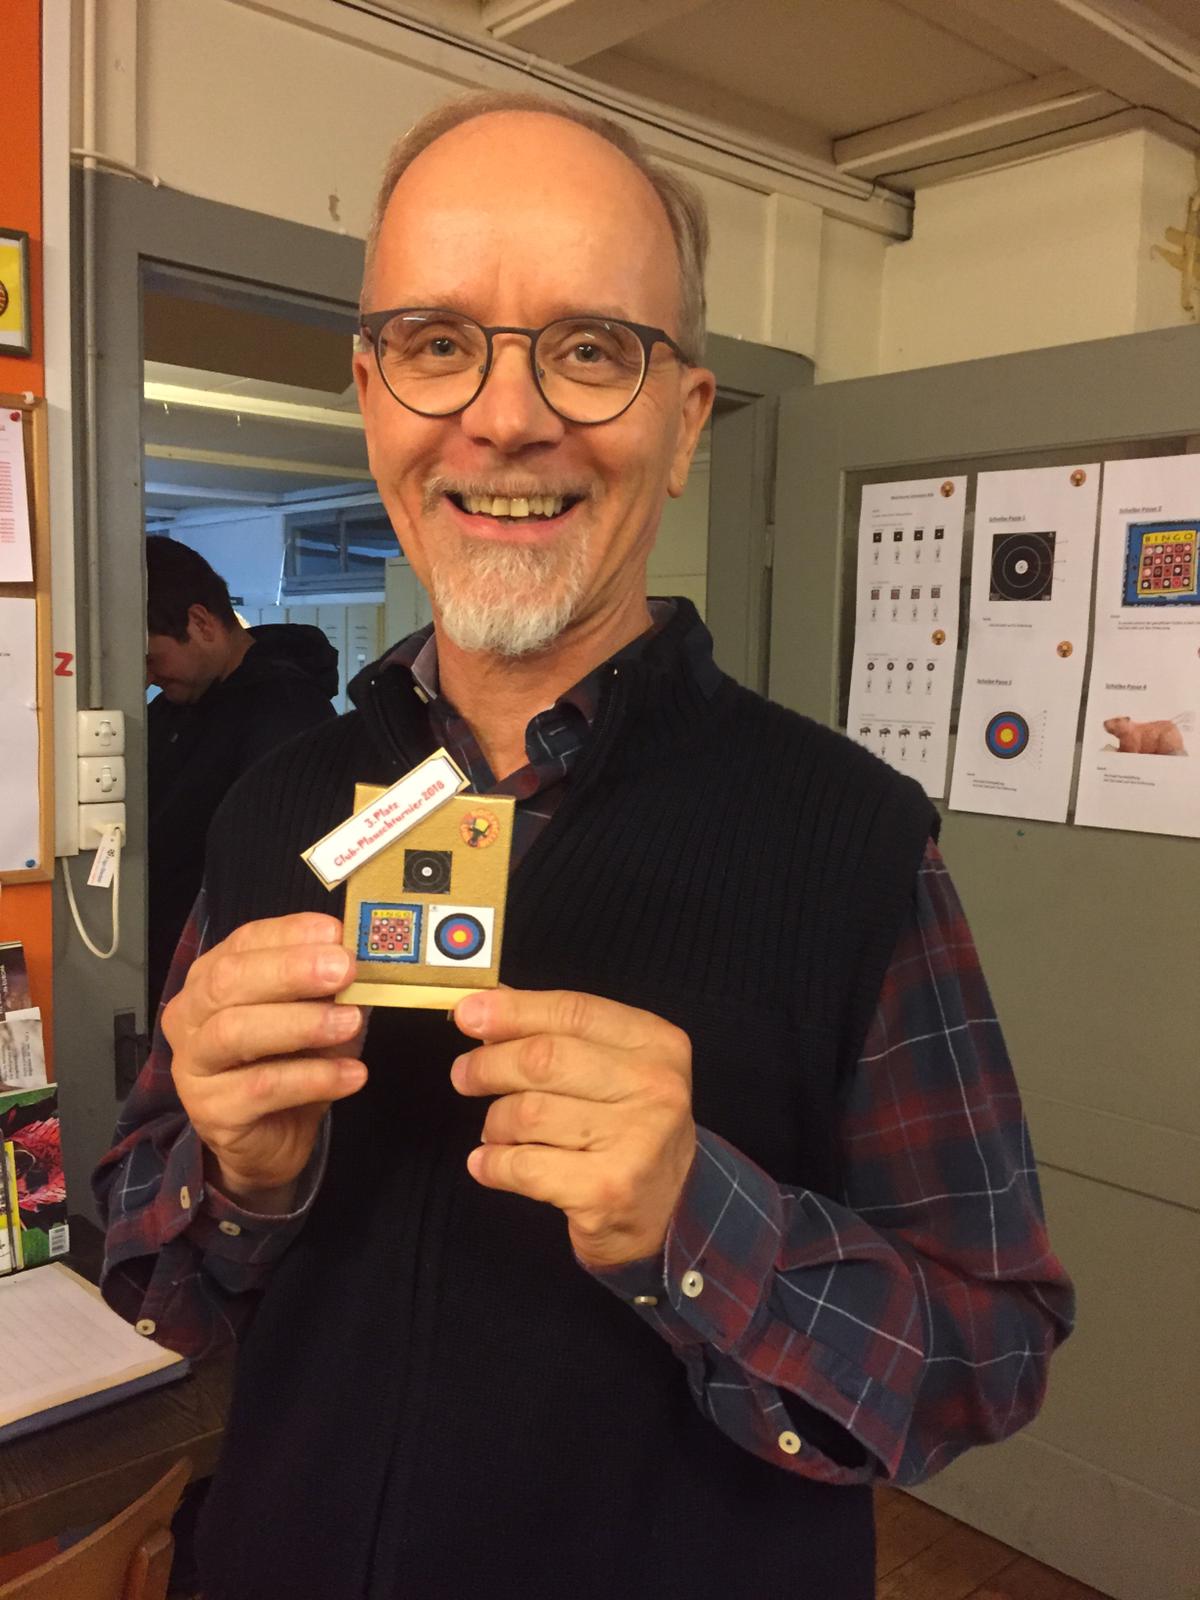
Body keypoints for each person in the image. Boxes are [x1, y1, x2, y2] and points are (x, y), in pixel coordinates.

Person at [98, 94, 1073, 1600]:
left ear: (683, 422)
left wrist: (701, 1214)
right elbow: (151, 1267)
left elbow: (987, 1354)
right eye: (438, 342)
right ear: (372, 396)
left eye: (592, 348)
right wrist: (243, 1175)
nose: (506, 417)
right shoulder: (271, 808)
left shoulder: (853, 840)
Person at [144, 537, 338, 1014]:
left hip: (225, 980)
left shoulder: (287, 712)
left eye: (151, 658)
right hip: (160, 969)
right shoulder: (175, 705)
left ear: (201, 623)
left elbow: (281, 873)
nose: (148, 677)